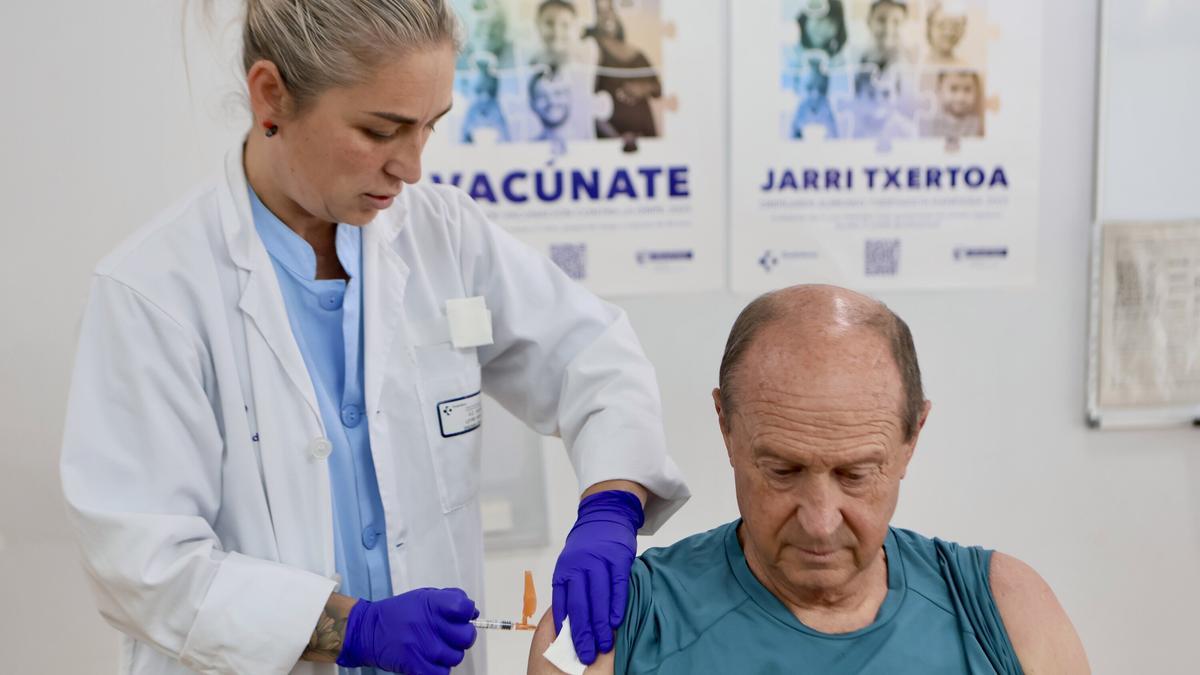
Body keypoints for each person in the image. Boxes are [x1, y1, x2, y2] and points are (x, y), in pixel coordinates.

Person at [58, 2, 689, 674]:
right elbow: (145, 566)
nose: (412, 167)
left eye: (429, 127)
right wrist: (350, 628)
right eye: (381, 130)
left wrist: (612, 505)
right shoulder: (155, 292)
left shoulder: (442, 235)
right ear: (271, 95)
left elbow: (591, 355)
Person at [528, 285, 1090, 675]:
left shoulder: (1006, 611)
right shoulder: (612, 631)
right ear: (726, 427)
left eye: (855, 474)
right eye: (783, 471)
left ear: (912, 436)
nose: (820, 523)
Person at [584, 0, 662, 145]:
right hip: (609, 139)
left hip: (645, 137)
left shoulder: (636, 54)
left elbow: (658, 88)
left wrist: (642, 88)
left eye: (610, 10)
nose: (606, 16)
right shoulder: (589, 50)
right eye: (600, 12)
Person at [921, 70, 984, 139]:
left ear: (976, 92)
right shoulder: (930, 122)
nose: (961, 97)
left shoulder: (977, 124)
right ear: (939, 91)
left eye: (967, 89)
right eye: (953, 89)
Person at [529, 68, 574, 156]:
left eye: (558, 93)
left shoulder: (595, 144)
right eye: (542, 95)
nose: (552, 101)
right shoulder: (527, 150)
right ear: (532, 103)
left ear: (569, 98)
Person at [791, 63, 839, 139]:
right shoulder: (801, 107)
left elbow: (834, 135)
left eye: (821, 89)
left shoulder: (826, 107)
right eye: (809, 88)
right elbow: (793, 134)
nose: (815, 94)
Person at [530, 0, 578, 72]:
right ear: (537, 24)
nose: (557, 32)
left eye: (565, 25)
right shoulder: (531, 63)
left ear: (575, 27)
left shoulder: (579, 66)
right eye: (549, 23)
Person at [925, 0, 969, 68]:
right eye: (941, 25)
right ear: (929, 27)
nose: (948, 32)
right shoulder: (916, 66)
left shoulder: (967, 69)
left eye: (955, 26)